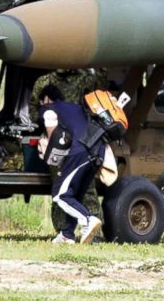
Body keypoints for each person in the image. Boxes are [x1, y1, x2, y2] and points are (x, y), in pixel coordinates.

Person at [38, 83, 103, 244]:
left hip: (78, 152)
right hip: (97, 151)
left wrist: (57, 164)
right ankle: (67, 234)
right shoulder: (74, 107)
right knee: (75, 195)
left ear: (46, 99)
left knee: (60, 195)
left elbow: (55, 139)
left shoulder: (49, 108)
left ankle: (88, 220)